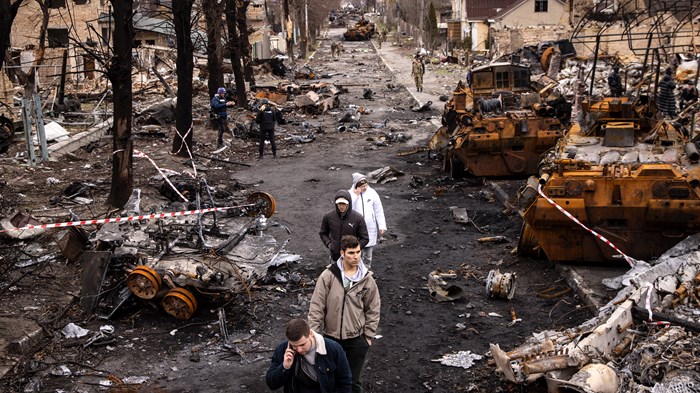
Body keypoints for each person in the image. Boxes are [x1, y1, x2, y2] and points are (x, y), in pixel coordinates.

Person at [308, 235, 381, 393]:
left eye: (358, 252)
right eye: (351, 253)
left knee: (353, 382)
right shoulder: (329, 276)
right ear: (342, 253)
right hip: (331, 339)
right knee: (330, 379)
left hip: (356, 339)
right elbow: (316, 306)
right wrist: (313, 334)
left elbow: (373, 308)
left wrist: (368, 336)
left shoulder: (366, 279)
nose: (356, 256)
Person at [266, 318, 352, 393]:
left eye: (302, 344)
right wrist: (285, 367)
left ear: (311, 334)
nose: (299, 350)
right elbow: (272, 384)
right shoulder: (283, 350)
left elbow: (345, 382)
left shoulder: (333, 349)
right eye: (294, 346)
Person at [348, 173, 386, 270]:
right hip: (355, 229)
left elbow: (378, 210)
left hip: (370, 228)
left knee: (368, 253)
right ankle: (355, 271)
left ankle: (366, 270)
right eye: (362, 186)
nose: (365, 188)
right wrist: (356, 195)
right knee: (356, 252)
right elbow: (348, 209)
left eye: (366, 185)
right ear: (357, 185)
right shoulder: (350, 194)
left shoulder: (372, 193)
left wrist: (381, 225)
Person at [319, 190, 369, 262]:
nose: (341, 206)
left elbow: (365, 238)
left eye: (344, 204)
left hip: (352, 259)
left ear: (349, 203)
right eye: (339, 203)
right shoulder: (328, 216)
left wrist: (354, 250)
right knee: (334, 273)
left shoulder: (358, 218)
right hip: (335, 257)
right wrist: (329, 244)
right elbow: (323, 233)